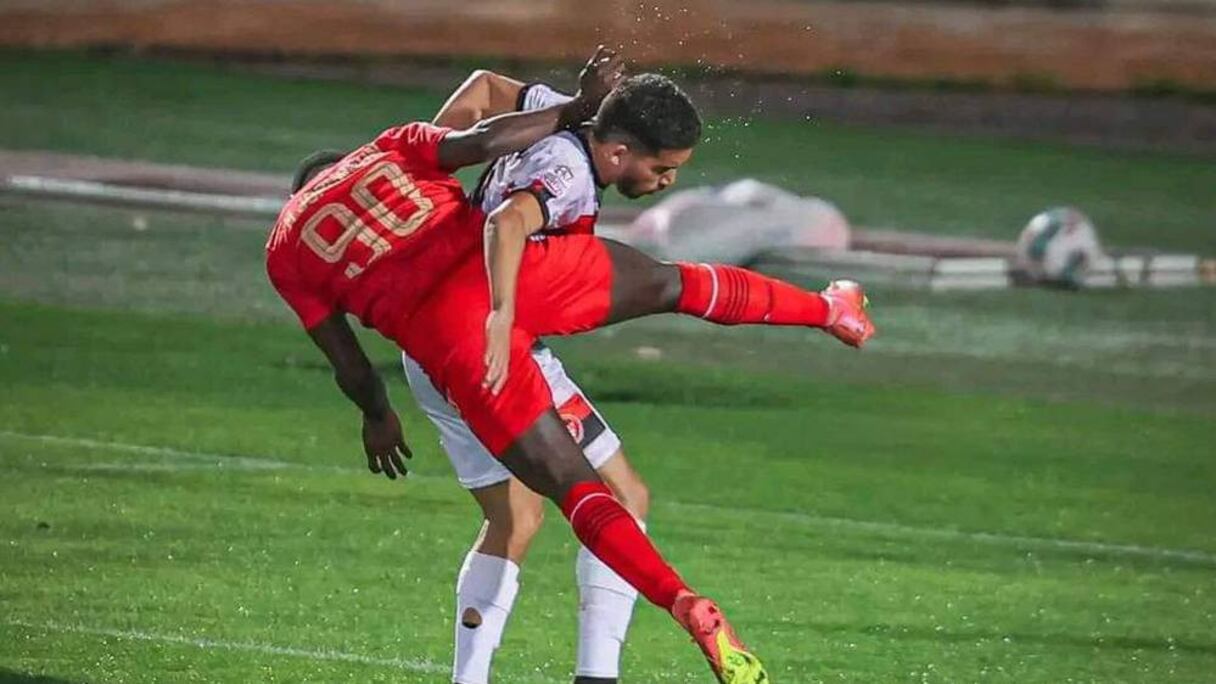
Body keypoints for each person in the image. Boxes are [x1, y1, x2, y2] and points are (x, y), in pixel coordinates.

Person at [267, 46, 873, 684]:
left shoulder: (287, 249)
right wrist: (576, 108)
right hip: (508, 289)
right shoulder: (396, 155)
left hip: (443, 352)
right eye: (662, 167)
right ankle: (829, 310)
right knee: (674, 291)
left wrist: (377, 415)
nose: (668, 179)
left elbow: (349, 364)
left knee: (548, 502)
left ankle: (667, 605)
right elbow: (483, 135)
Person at [401, 68, 699, 684]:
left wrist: (431, 164)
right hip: (493, 349)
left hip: (431, 347)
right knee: (623, 497)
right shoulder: (570, 175)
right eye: (662, 169)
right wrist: (503, 313)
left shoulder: (562, 114)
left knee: (515, 517)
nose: (667, 183)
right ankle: (597, 676)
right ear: (619, 151)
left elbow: (483, 86)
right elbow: (507, 220)